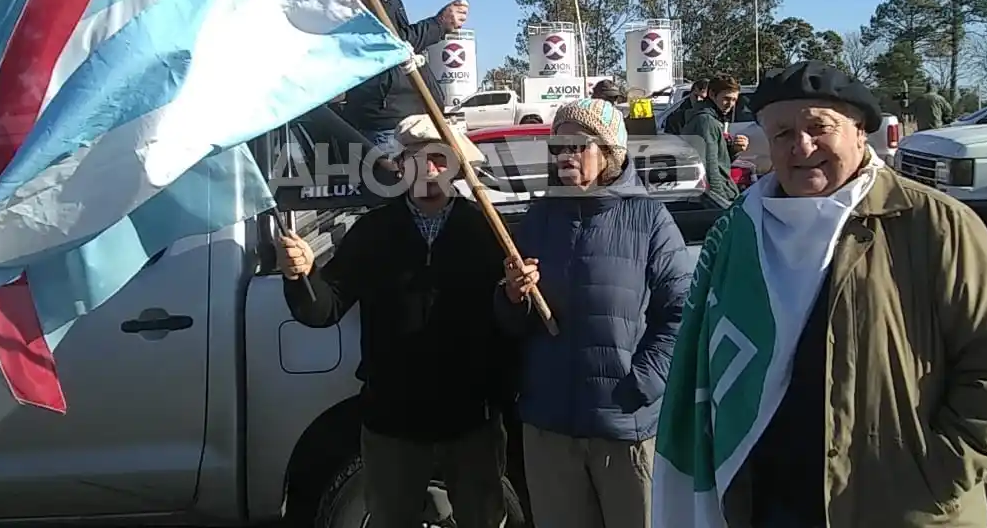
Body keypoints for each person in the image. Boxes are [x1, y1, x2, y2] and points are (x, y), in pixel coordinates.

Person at [652, 60, 987, 528]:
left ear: (861, 133)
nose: (801, 146)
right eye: (781, 133)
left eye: (819, 127)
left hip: (896, 505)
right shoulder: (739, 232)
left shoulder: (934, 224)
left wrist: (941, 471)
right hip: (770, 501)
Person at [277, 114, 516, 528]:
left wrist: (519, 297)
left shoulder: (486, 229)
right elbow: (323, 310)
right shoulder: (372, 232)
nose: (430, 169)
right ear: (401, 167)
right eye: (417, 158)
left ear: (457, 165)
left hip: (471, 427)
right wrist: (301, 275)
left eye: (440, 159)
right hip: (393, 427)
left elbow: (511, 319)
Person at [496, 98, 692, 528]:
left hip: (624, 430)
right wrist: (512, 295)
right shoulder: (539, 220)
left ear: (609, 154)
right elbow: (512, 325)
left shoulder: (649, 219)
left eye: (578, 146)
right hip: (550, 428)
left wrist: (641, 384)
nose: (565, 156)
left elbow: (680, 312)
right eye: (558, 146)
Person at [338, 0, 470, 155]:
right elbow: (393, 44)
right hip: (386, 126)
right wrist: (440, 23)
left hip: (406, 122)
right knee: (403, 191)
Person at [680, 75, 748, 203]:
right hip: (715, 198)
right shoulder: (706, 121)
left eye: (734, 100)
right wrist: (720, 202)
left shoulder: (708, 119)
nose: (730, 104)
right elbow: (711, 169)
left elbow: (718, 160)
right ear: (712, 94)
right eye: (726, 99)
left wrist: (733, 150)